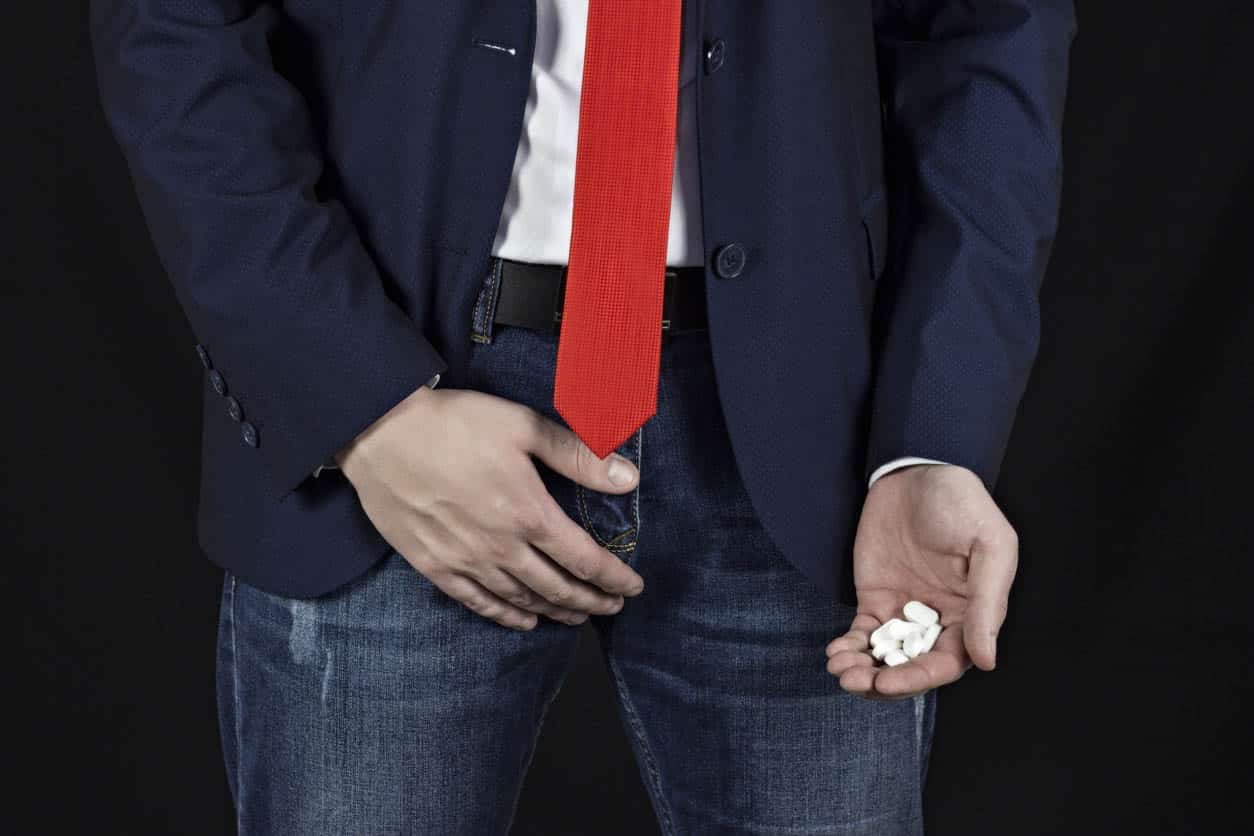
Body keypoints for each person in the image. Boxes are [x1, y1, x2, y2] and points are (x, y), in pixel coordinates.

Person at [90, 1, 1076, 832]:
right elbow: (172, 23)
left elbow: (988, 30)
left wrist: (932, 436)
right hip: (391, 414)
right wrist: (362, 405)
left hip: (815, 431)